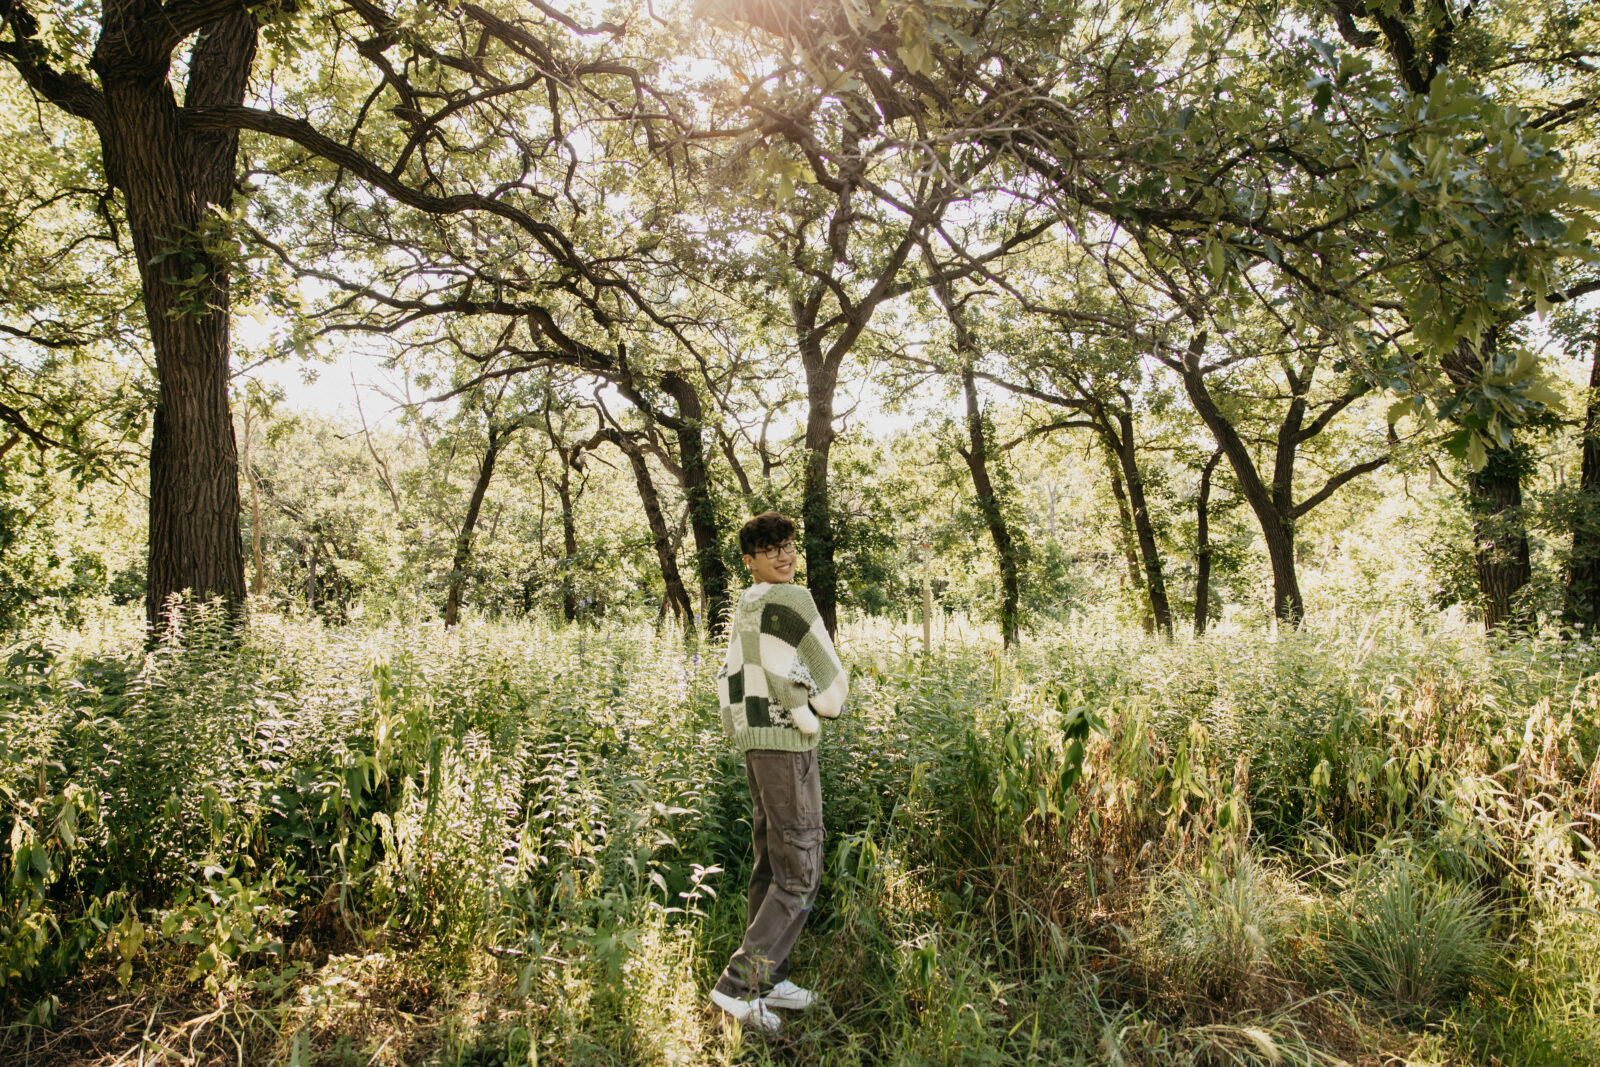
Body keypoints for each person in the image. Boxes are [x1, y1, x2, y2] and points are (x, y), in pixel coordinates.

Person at [709, 511, 849, 1034]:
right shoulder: (792, 600)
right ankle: (737, 987)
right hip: (786, 745)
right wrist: (819, 705)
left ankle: (771, 980)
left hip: (757, 745)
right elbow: (827, 676)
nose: (786, 556)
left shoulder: (749, 603)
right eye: (772, 550)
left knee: (771, 863)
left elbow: (739, 675)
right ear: (750, 562)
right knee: (800, 868)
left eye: (789, 545)